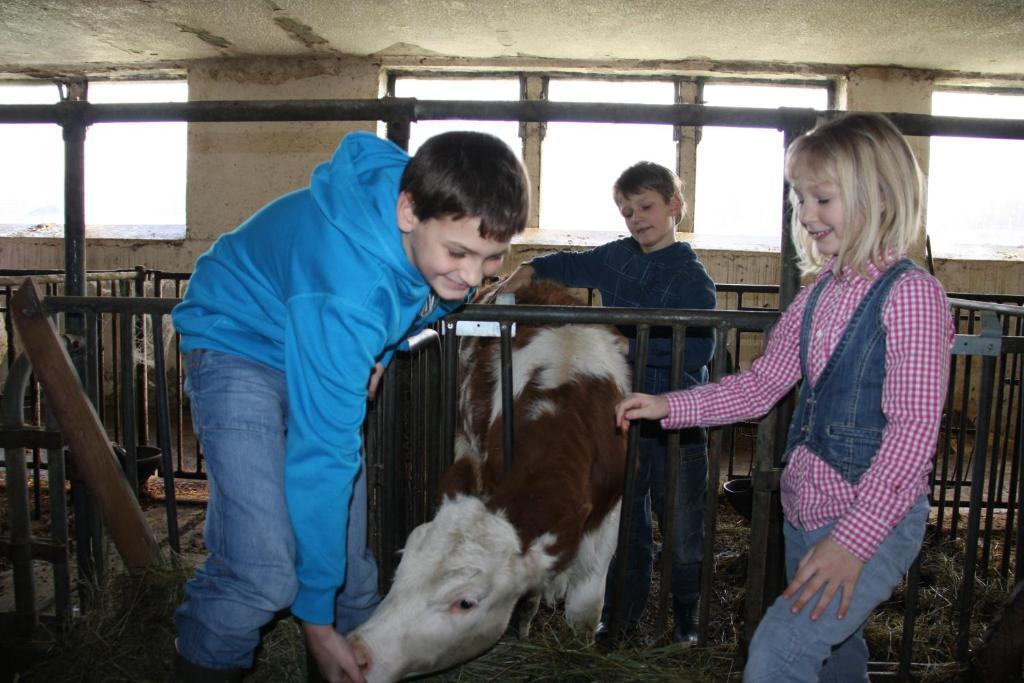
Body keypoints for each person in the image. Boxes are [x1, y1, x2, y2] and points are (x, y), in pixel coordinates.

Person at [171, 130, 530, 683]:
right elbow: (324, 455)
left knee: (352, 575)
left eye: (492, 258)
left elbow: (425, 300)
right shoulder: (349, 292)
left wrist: (385, 349)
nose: (472, 276)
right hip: (237, 344)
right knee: (261, 570)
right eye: (459, 253)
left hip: (315, 333)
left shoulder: (425, 209)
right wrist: (314, 621)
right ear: (407, 212)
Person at [614, 113, 955, 681]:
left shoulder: (912, 295)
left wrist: (851, 543)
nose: (807, 214)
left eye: (823, 198)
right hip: (808, 511)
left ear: (882, 195)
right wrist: (671, 406)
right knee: (836, 653)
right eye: (801, 200)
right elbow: (760, 386)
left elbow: (912, 434)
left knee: (778, 653)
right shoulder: (820, 293)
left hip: (869, 518)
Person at [502, 161, 717, 644]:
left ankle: (686, 623)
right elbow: (570, 263)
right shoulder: (618, 257)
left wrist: (633, 345)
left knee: (682, 533)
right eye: (626, 211)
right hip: (623, 427)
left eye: (646, 207)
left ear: (674, 208)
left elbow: (701, 350)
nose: (636, 218)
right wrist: (528, 268)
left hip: (677, 427)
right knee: (630, 531)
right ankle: (620, 619)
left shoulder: (693, 279)